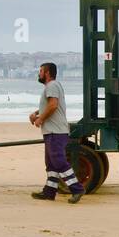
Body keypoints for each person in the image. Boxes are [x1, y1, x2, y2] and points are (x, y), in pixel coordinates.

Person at [29, 61, 83, 204]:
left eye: (40, 71)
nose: (39, 74)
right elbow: (49, 106)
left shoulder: (52, 85)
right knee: (51, 163)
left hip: (55, 131)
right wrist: (36, 114)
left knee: (58, 161)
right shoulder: (53, 86)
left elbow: (53, 105)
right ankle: (49, 192)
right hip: (52, 131)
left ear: (47, 73)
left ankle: (77, 189)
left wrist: (40, 119)